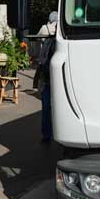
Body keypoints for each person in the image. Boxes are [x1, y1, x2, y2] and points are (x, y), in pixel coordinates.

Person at [34, 12, 58, 143]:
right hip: (59, 72)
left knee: (46, 105)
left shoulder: (45, 28)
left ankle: (46, 134)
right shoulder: (61, 28)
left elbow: (37, 39)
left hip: (46, 69)